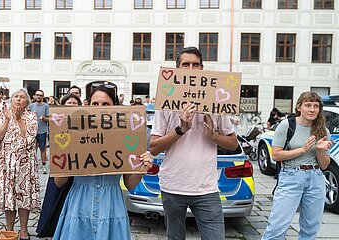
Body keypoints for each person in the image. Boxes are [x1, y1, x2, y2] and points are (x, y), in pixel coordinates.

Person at [149, 46, 238, 240]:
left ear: (202, 69)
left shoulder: (216, 103)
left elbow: (233, 144)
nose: (191, 68)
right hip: (172, 186)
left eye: (195, 64)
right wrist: (181, 129)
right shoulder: (166, 102)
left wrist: (214, 136)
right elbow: (154, 147)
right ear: (177, 70)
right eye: (185, 64)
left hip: (206, 188)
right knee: (175, 237)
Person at [53, 81, 154, 240]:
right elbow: (59, 182)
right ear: (87, 105)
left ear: (114, 106)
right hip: (79, 203)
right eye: (95, 103)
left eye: (105, 103)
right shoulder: (72, 132)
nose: (100, 107)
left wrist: (143, 167)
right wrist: (63, 157)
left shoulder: (125, 134)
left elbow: (130, 184)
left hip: (111, 204)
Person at [262, 91, 332, 240]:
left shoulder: (323, 130)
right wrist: (303, 149)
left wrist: (319, 150)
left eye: (316, 106)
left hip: (316, 178)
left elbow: (325, 165)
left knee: (310, 229)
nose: (312, 109)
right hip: (291, 177)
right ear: (299, 107)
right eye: (308, 105)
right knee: (277, 227)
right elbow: (276, 155)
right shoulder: (287, 125)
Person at [0, 89, 40, 240]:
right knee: (8, 196)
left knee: (23, 196)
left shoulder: (31, 117)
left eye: (22, 97)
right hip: (5, 162)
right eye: (16, 96)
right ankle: (9, 229)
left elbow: (30, 139)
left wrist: (18, 120)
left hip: (24, 162)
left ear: (27, 102)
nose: (18, 99)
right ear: (11, 100)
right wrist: (7, 120)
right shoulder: (2, 115)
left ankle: (24, 230)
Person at [36, 93, 81, 238]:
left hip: (78, 165)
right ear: (63, 105)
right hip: (61, 164)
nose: (72, 105)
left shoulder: (84, 120)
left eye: (75, 103)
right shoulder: (57, 120)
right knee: (56, 195)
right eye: (69, 103)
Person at [29, 89, 49, 174]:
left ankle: (44, 165)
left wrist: (44, 118)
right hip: (32, 131)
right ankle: (32, 166)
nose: (39, 96)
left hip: (42, 131)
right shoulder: (31, 106)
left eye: (40, 95)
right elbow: (27, 117)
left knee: (42, 149)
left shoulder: (46, 106)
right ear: (34, 96)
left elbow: (49, 119)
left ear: (43, 97)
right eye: (37, 95)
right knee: (32, 149)